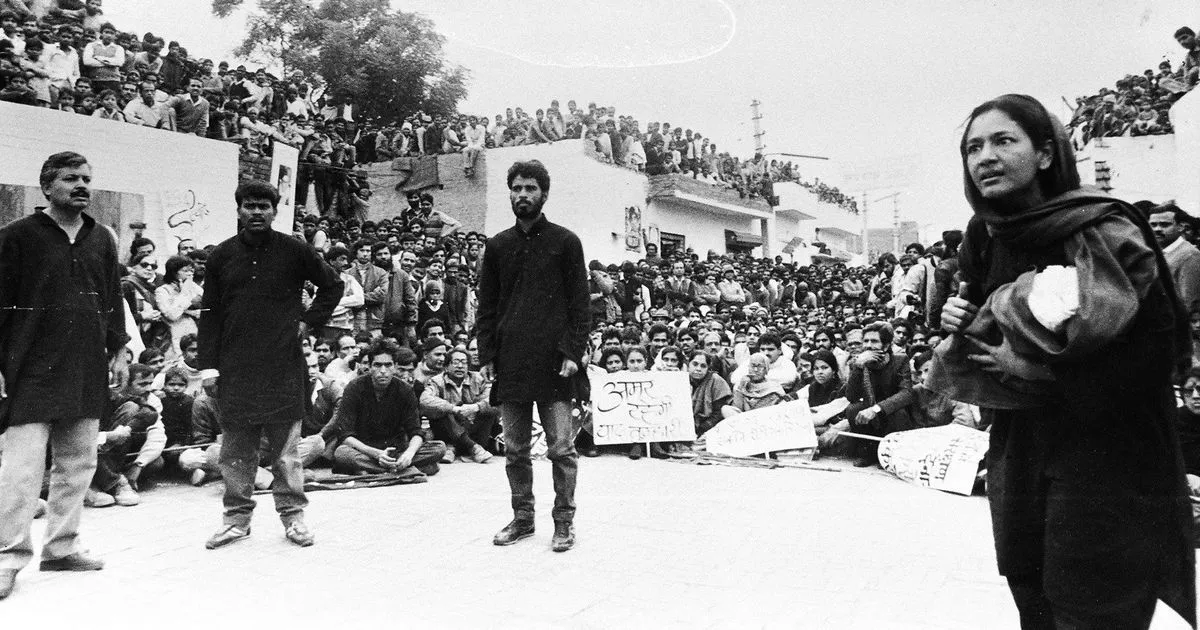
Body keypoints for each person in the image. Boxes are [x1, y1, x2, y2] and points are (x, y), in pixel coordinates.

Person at [935, 94, 1194, 628]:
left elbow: (1159, 353)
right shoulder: (985, 234)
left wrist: (1046, 372)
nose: (985, 157)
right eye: (973, 148)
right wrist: (958, 316)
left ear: (1046, 153)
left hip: (1108, 451)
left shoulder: (1106, 227)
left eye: (1003, 140)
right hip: (1021, 447)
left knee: (1092, 605)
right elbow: (983, 321)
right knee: (1033, 600)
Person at [0, 152, 129, 599]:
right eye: (71, 178)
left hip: (85, 366)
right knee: (21, 471)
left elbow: (112, 297)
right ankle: (7, 558)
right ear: (46, 187)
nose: (82, 185)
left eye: (87, 179)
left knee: (78, 464)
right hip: (30, 369)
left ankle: (62, 547)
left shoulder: (102, 238)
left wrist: (119, 350)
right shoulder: (16, 237)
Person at [198, 180, 343, 551]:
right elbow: (210, 314)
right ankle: (236, 521)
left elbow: (333, 285)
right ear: (239, 210)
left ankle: (293, 518)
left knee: (286, 454)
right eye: (249, 205)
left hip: (282, 365)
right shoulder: (221, 256)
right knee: (235, 453)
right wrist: (209, 368)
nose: (257, 212)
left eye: (264, 206)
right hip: (235, 368)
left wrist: (308, 322)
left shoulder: (294, 250)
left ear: (275, 211)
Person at [477, 160, 589, 553]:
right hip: (511, 363)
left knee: (561, 449)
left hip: (556, 364)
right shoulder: (497, 246)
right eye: (517, 188)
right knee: (515, 450)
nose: (523, 195)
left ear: (544, 193)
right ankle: (523, 519)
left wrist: (572, 351)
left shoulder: (566, 242)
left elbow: (580, 305)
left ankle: (564, 522)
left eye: (530, 188)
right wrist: (487, 354)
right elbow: (486, 307)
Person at [330, 339, 446, 475]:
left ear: (395, 366)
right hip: (365, 450)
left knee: (439, 448)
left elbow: (416, 431)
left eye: (388, 365)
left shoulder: (405, 390)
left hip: (396, 450)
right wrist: (375, 453)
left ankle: (379, 468)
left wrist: (408, 454)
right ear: (370, 367)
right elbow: (344, 435)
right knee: (342, 453)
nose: (383, 371)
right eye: (377, 365)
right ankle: (401, 469)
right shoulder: (354, 388)